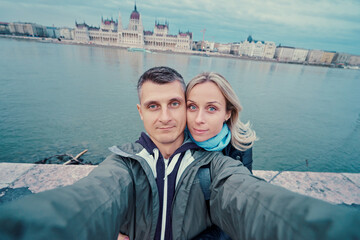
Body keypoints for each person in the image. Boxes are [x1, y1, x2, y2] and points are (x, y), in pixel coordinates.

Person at [0, 66, 359, 240]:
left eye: (175, 103)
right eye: (155, 106)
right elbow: (96, 196)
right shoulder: (126, 162)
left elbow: (248, 197)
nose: (172, 117)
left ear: (228, 113)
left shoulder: (220, 161)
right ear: (140, 112)